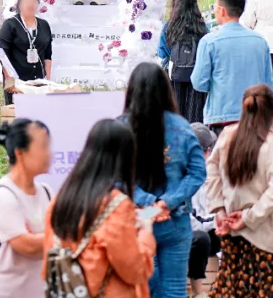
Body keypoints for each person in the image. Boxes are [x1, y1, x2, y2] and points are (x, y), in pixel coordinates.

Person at [42, 119, 156, 298]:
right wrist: (146, 234)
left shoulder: (60, 199)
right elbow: (135, 270)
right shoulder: (116, 205)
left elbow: (48, 258)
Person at [205, 84, 273, 298]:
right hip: (271, 240)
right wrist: (248, 218)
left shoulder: (228, 136)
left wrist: (219, 210)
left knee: (234, 290)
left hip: (233, 232)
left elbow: (211, 171)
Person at [125, 63, 207, 298]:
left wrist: (149, 203)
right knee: (175, 289)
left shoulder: (122, 126)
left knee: (143, 289)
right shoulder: (182, 127)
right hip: (176, 220)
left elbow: (116, 175)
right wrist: (166, 203)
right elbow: (197, 173)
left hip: (137, 219)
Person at [192, 0, 273, 135]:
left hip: (222, 116)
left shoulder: (209, 42)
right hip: (254, 117)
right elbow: (268, 84)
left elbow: (199, 83)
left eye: (215, 6)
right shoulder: (260, 41)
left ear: (222, 10)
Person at [0, 119, 52, 298]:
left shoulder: (46, 192)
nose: (49, 153)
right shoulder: (3, 195)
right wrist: (58, 236)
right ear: (20, 153)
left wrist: (45, 237)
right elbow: (27, 246)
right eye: (43, 146)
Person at [158, 0, 209, 123]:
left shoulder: (168, 27)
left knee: (175, 111)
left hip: (174, 77)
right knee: (195, 114)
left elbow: (162, 53)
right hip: (196, 77)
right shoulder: (202, 27)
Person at [0, 0, 53, 103]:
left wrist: (47, 78)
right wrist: (10, 80)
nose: (30, 4)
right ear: (19, 4)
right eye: (26, 1)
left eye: (33, 1)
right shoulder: (10, 25)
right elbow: (3, 54)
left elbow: (48, 54)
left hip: (40, 82)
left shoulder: (44, 25)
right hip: (18, 83)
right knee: (19, 113)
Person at [187, 123, 219, 298]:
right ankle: (197, 291)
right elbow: (194, 220)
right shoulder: (184, 174)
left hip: (199, 228)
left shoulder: (208, 172)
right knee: (201, 239)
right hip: (184, 233)